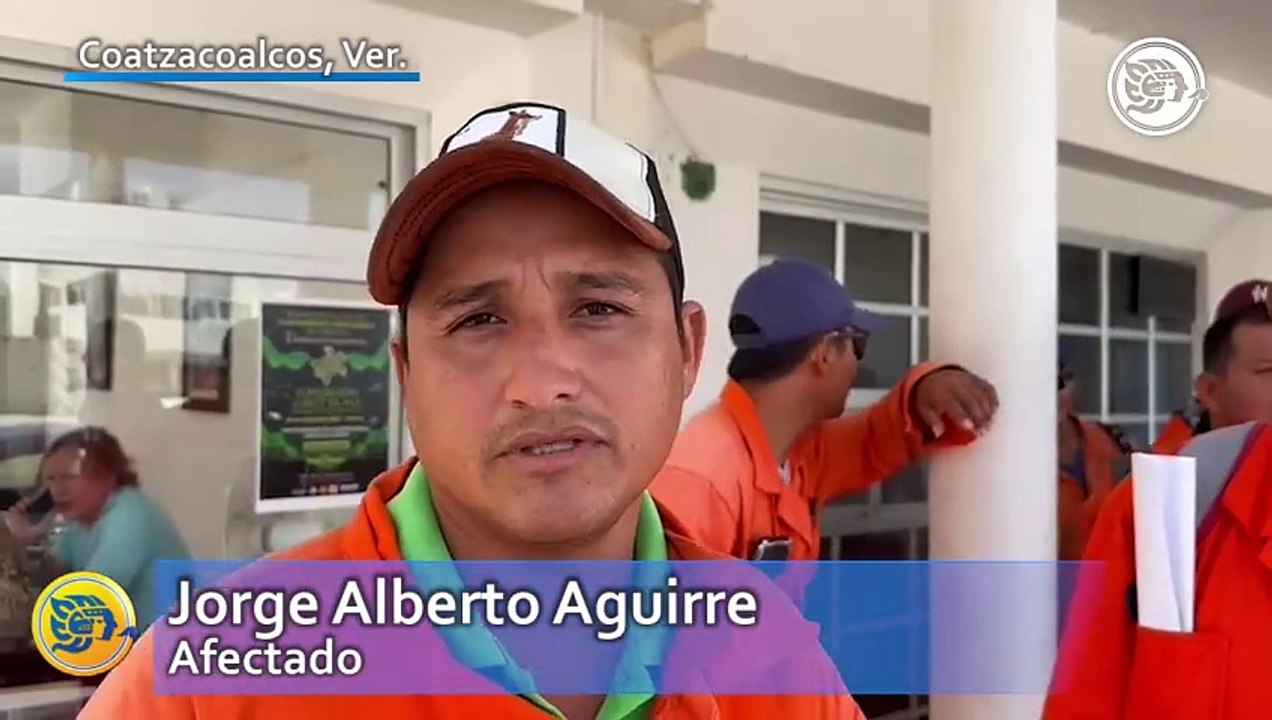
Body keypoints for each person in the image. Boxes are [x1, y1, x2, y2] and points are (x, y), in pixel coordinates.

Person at [81, 102, 866, 719]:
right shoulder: (209, 680)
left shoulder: (768, 651)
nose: (542, 383)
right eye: (477, 321)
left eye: (597, 309)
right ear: (406, 373)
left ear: (688, 351)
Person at [650, 258, 998, 562]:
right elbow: (664, 631)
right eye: (857, 345)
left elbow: (874, 440)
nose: (858, 365)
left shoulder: (799, 452)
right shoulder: (700, 482)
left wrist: (925, 386)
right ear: (826, 353)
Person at [1043, 278, 1272, 718]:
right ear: (1207, 390)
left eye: (1061, 380)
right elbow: (1087, 696)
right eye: (1268, 372)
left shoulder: (1107, 442)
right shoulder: (1163, 498)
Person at [4, 427, 190, 627]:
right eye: (50, 479)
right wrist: (33, 540)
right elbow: (52, 581)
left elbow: (87, 603)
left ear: (108, 479)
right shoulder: (81, 516)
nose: (57, 490)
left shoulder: (129, 518)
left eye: (69, 478)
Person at [1056, 360, 1135, 561]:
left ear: (1071, 385)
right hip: (1053, 590)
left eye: (1057, 385)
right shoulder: (1013, 464)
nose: (1049, 396)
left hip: (1117, 585)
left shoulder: (1113, 440)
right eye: (1035, 387)